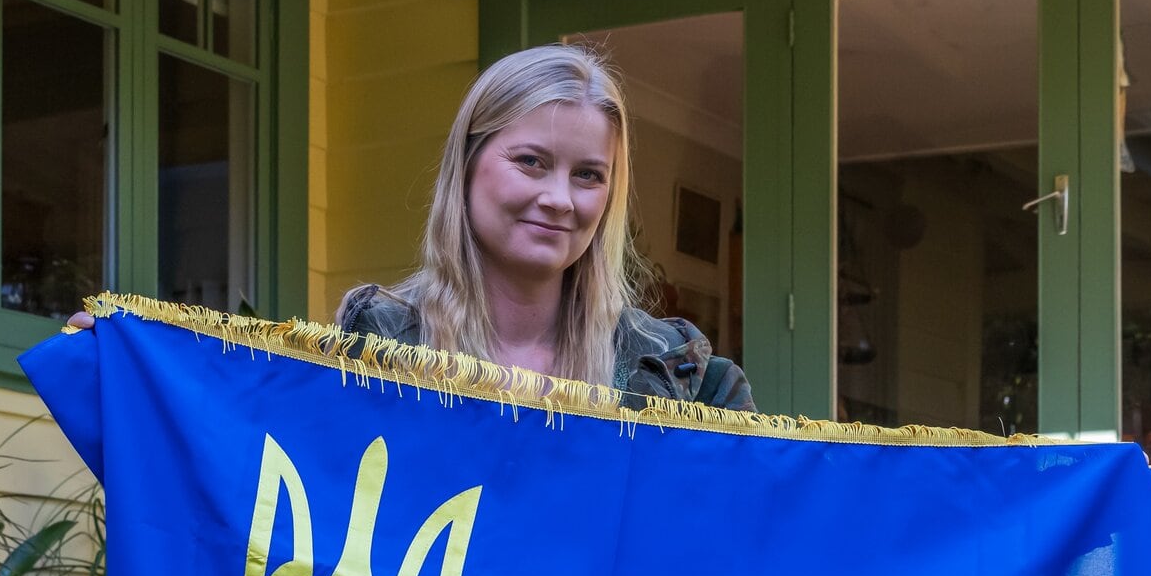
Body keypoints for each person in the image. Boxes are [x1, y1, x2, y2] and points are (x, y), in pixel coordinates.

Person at [67, 44, 751, 411]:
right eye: (531, 162)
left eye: (588, 175)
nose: (559, 199)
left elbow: (752, 534)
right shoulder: (380, 340)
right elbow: (268, 471)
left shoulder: (682, 372)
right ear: (467, 165)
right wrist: (128, 376)